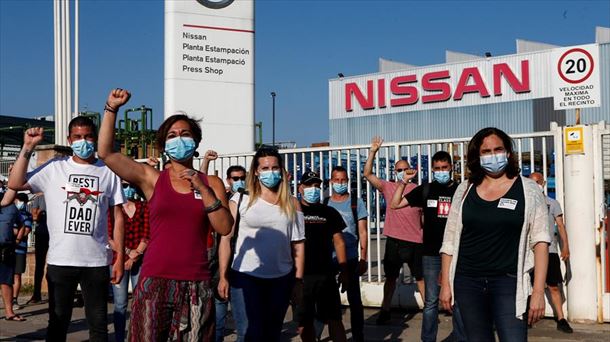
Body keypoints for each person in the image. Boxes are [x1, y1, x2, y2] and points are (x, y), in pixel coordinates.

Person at [97, 88, 233, 340]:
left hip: (197, 283)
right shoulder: (152, 179)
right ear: (164, 145)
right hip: (155, 280)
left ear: (196, 142)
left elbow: (225, 228)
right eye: (172, 135)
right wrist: (111, 109)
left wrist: (203, 190)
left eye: (185, 134)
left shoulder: (211, 183)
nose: (178, 139)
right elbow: (106, 154)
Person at [8, 117, 126, 342]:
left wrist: (119, 258)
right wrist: (28, 147)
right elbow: (15, 183)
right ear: (69, 140)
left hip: (97, 262)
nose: (84, 141)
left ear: (95, 137)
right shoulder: (55, 167)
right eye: (78, 137)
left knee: (99, 325)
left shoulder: (108, 171)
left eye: (89, 136)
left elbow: (118, 217)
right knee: (58, 324)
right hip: (61, 261)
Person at [439, 127, 550, 341]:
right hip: (467, 281)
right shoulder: (464, 190)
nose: (493, 156)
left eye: (498, 149)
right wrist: (446, 284)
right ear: (477, 156)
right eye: (486, 151)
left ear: (508, 153)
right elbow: (449, 241)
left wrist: (537, 292)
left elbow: (541, 241)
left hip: (507, 283)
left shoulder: (528, 189)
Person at [217, 146, 305, 342]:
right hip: (245, 277)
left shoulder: (292, 203)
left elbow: (298, 244)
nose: (270, 172)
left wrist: (298, 281)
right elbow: (226, 238)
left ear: (281, 170)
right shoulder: (240, 199)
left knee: (271, 334)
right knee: (248, 334)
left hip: (281, 279)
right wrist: (223, 276)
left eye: (274, 167)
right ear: (256, 171)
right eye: (265, 168)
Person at [390, 151, 465, 342]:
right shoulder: (425, 190)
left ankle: (461, 338)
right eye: (437, 168)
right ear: (432, 169)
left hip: (456, 253)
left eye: (444, 168)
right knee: (431, 301)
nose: (441, 171)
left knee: (458, 300)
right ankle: (428, 339)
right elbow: (395, 204)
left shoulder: (461, 190)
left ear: (451, 168)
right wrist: (404, 182)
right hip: (431, 254)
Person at [364, 136, 424, 324]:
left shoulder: (419, 190)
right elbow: (367, 174)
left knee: (421, 279)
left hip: (415, 241)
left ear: (412, 170)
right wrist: (373, 152)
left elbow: (423, 218)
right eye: (399, 170)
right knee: (390, 279)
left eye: (406, 169)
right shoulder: (388, 187)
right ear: (394, 172)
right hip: (394, 241)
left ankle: (431, 310)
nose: (403, 172)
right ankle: (385, 310)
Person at [297, 170, 348, 342]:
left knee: (334, 318)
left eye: (317, 186)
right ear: (300, 188)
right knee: (304, 321)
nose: (314, 189)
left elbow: (339, 242)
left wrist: (344, 269)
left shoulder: (329, 212)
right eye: (309, 185)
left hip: (326, 275)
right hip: (302, 277)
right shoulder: (293, 212)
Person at [324, 165, 368, 341]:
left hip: (350, 259)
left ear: (348, 182)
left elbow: (363, 232)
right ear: (331, 181)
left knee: (355, 302)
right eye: (336, 180)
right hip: (330, 259)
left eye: (343, 180)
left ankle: (358, 336)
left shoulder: (356, 202)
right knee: (328, 300)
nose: (340, 183)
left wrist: (363, 258)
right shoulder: (325, 203)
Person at [529, 172, 573, 333]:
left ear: (544, 183)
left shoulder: (552, 203)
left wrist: (566, 247)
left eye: (538, 182)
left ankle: (561, 318)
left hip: (551, 250)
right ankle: (528, 316)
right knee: (528, 285)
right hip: (530, 252)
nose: (536, 185)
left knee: (554, 286)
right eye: (532, 183)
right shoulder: (527, 203)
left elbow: (560, 226)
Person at [208, 163, 247, 342]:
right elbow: (224, 236)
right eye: (236, 178)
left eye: (242, 178)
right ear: (229, 181)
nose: (240, 181)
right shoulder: (224, 200)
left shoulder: (249, 199)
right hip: (220, 264)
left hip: (242, 266)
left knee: (244, 323)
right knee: (218, 317)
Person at [108, 181, 150, 342]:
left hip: (139, 259)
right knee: (120, 303)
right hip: (118, 259)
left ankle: (136, 336)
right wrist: (126, 253)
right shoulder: (114, 208)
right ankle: (119, 338)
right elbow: (109, 236)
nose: (129, 189)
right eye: (125, 186)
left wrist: (135, 254)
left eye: (131, 185)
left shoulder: (143, 207)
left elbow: (147, 233)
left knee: (140, 302)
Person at [0, 188, 26, 321]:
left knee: (6, 281)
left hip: (6, 249)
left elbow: (22, 225)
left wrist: (17, 240)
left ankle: (9, 312)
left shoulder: (11, 207)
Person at [27, 193, 49, 305]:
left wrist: (40, 212)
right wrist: (39, 212)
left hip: (56, 234)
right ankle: (36, 294)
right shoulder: (39, 197)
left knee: (55, 266)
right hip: (42, 233)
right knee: (39, 266)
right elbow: (34, 215)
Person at [12, 192, 32, 311]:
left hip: (20, 250)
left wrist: (14, 230)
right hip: (8, 249)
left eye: (21, 201)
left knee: (17, 275)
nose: (18, 203)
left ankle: (15, 299)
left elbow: (26, 232)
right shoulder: (9, 213)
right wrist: (18, 230)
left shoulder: (27, 215)